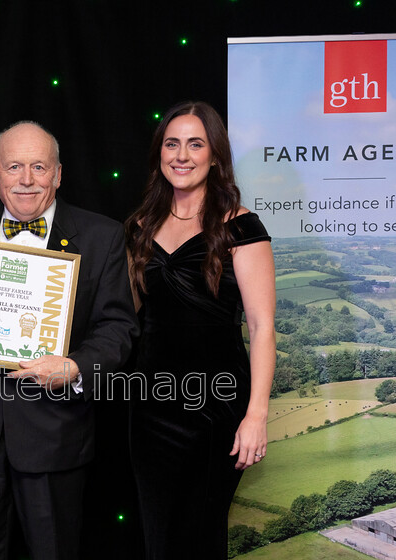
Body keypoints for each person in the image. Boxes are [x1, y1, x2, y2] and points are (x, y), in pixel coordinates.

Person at [0, 121, 139, 559]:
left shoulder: (101, 235)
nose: (27, 179)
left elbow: (118, 327)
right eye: (14, 167)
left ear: (58, 174)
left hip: (55, 435)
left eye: (39, 167)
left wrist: (73, 367)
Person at [124, 101, 275, 559]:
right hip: (149, 408)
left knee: (200, 537)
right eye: (172, 143)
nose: (182, 155)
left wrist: (256, 416)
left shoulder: (241, 226)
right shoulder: (139, 226)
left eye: (196, 144)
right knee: (158, 539)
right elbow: (128, 317)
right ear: (159, 153)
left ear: (215, 156)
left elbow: (262, 327)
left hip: (217, 408)